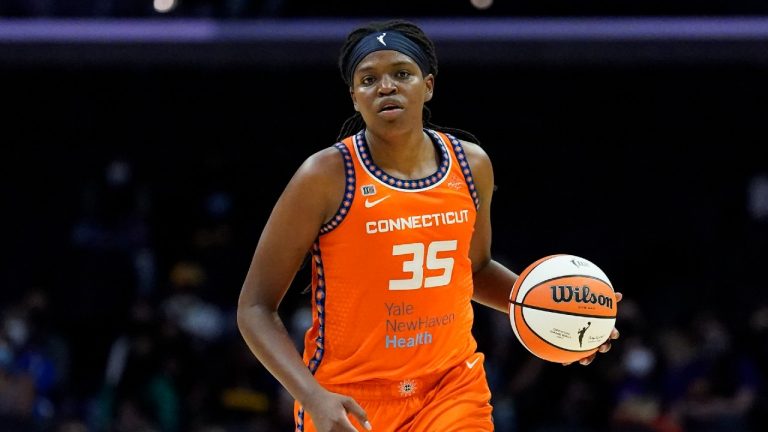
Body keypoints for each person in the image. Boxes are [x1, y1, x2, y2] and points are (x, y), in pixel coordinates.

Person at [237, 19, 621, 432]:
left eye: (401, 73)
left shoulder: (471, 165)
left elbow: (472, 270)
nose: (386, 87)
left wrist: (561, 314)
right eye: (369, 79)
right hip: (348, 397)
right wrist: (311, 396)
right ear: (354, 98)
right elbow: (254, 308)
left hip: (451, 389)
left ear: (429, 85)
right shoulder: (325, 175)